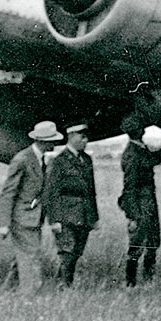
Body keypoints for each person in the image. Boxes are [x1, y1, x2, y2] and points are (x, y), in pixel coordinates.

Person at [0, 121, 64, 292]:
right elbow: (8, 192)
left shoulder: (41, 159)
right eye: (52, 140)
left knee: (24, 255)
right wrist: (3, 224)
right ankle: (30, 294)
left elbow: (45, 194)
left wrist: (52, 220)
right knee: (31, 255)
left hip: (34, 218)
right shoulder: (22, 159)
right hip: (22, 218)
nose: (55, 144)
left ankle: (9, 290)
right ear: (43, 141)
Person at [117, 119, 161, 286]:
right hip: (141, 204)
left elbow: (153, 158)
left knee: (151, 243)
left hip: (146, 203)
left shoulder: (138, 150)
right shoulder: (132, 154)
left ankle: (143, 280)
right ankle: (132, 282)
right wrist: (133, 216)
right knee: (138, 245)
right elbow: (129, 188)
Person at [43, 123, 99, 287]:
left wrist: (94, 217)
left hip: (84, 214)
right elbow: (51, 193)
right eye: (82, 137)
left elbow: (91, 190)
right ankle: (64, 286)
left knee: (76, 252)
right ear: (72, 136)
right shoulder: (59, 161)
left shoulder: (86, 160)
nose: (85, 140)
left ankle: (63, 282)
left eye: (86, 137)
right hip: (65, 214)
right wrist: (54, 220)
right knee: (67, 251)